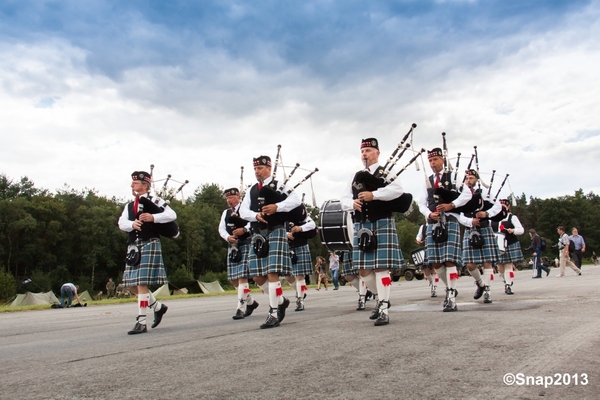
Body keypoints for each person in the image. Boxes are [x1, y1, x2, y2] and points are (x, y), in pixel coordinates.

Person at [340, 137, 405, 326]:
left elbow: (398, 190)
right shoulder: (356, 176)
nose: (365, 154)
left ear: (377, 153)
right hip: (362, 226)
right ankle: (380, 297)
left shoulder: (386, 173)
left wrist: (373, 195)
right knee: (363, 270)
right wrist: (352, 203)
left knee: (380, 267)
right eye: (362, 151)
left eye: (368, 150)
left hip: (382, 222)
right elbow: (343, 198)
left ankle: (383, 307)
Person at [239, 155, 301, 329]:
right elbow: (243, 211)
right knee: (258, 276)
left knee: (272, 273)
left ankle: (273, 312)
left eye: (260, 169)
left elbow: (296, 201)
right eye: (255, 169)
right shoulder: (252, 189)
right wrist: (255, 216)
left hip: (276, 231)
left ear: (269, 168)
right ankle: (281, 301)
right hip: (258, 234)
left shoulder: (280, 185)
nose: (257, 172)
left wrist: (277, 207)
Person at [118, 170, 175, 335]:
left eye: (135, 183)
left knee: (141, 283)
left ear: (145, 185)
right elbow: (121, 222)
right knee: (130, 285)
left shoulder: (156, 200)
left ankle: (141, 322)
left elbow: (172, 215)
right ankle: (158, 307)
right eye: (132, 183)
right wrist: (132, 225)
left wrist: (153, 217)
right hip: (133, 245)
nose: (132, 185)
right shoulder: (129, 205)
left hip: (149, 242)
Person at [418, 147, 473, 312]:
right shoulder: (427, 180)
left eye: (435, 160)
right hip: (433, 222)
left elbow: (467, 195)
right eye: (430, 161)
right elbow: (421, 203)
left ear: (443, 160)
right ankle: (450, 287)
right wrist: (429, 213)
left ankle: (450, 295)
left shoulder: (454, 177)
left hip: (450, 220)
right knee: (435, 262)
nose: (432, 163)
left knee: (449, 260)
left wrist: (452, 205)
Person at [458, 169, 503, 305]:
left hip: (484, 228)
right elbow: (458, 214)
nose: (469, 180)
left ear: (477, 180)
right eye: (467, 178)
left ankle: (488, 291)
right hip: (469, 229)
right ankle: (480, 283)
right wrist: (469, 221)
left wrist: (486, 214)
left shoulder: (485, 193)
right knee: (470, 264)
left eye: (471, 178)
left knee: (487, 262)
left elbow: (498, 206)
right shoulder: (460, 194)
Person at [218, 187, 259, 320]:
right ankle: (251, 302)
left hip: (246, 243)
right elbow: (221, 229)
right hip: (233, 246)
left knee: (242, 277)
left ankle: (240, 308)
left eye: (231, 198)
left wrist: (244, 229)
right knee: (232, 279)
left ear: (238, 197)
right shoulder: (226, 212)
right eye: (227, 198)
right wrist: (227, 237)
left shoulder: (245, 208)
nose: (229, 200)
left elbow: (253, 222)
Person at [285, 213, 317, 311]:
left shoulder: (299, 211)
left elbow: (312, 225)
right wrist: (285, 234)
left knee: (300, 275)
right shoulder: (280, 212)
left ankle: (300, 300)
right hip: (286, 247)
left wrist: (300, 228)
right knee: (288, 277)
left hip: (300, 246)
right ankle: (301, 292)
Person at [493, 199, 524, 295]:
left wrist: (513, 230)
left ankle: (508, 285)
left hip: (510, 243)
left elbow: (521, 230)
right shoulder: (492, 217)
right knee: (500, 267)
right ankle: (506, 280)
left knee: (508, 265)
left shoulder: (512, 217)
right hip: (497, 244)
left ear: (508, 207)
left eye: (504, 206)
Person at [416, 223, 438, 298]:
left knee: (435, 268)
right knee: (426, 269)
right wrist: (418, 240)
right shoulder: (423, 227)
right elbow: (418, 237)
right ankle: (432, 283)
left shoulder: (436, 224)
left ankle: (434, 287)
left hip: (436, 248)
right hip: (425, 249)